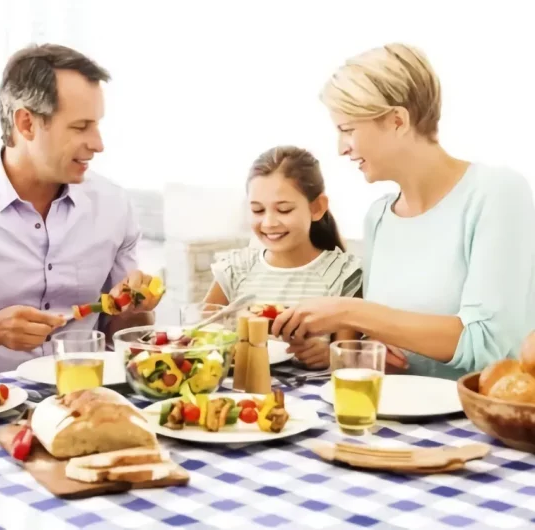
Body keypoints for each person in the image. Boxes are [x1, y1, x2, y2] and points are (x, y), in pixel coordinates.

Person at [272, 43, 535, 379]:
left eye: (347, 129)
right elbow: (395, 336)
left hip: (474, 423)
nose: (341, 148)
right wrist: (372, 351)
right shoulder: (380, 217)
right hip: (398, 416)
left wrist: (349, 311)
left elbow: (486, 345)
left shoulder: (496, 193)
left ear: (397, 121)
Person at [0, 44, 160, 376]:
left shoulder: (113, 206)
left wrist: (136, 307)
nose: (98, 143)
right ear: (26, 123)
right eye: (81, 127)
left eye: (97, 125)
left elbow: (124, 333)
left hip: (88, 395)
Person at [204, 146, 361, 369]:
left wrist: (329, 356)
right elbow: (199, 338)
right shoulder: (235, 269)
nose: (268, 223)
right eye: (258, 210)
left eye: (284, 210)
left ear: (317, 208)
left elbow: (350, 358)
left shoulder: (342, 274)